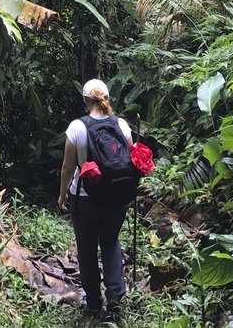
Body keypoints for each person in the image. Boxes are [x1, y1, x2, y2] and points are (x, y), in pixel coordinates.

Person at [58, 79, 132, 318]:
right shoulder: (121, 124)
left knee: (87, 249)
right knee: (110, 242)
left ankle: (92, 303)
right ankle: (115, 296)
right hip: (117, 195)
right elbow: (131, 160)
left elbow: (68, 167)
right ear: (107, 98)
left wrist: (61, 194)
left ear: (85, 101)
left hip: (84, 197)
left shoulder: (77, 127)